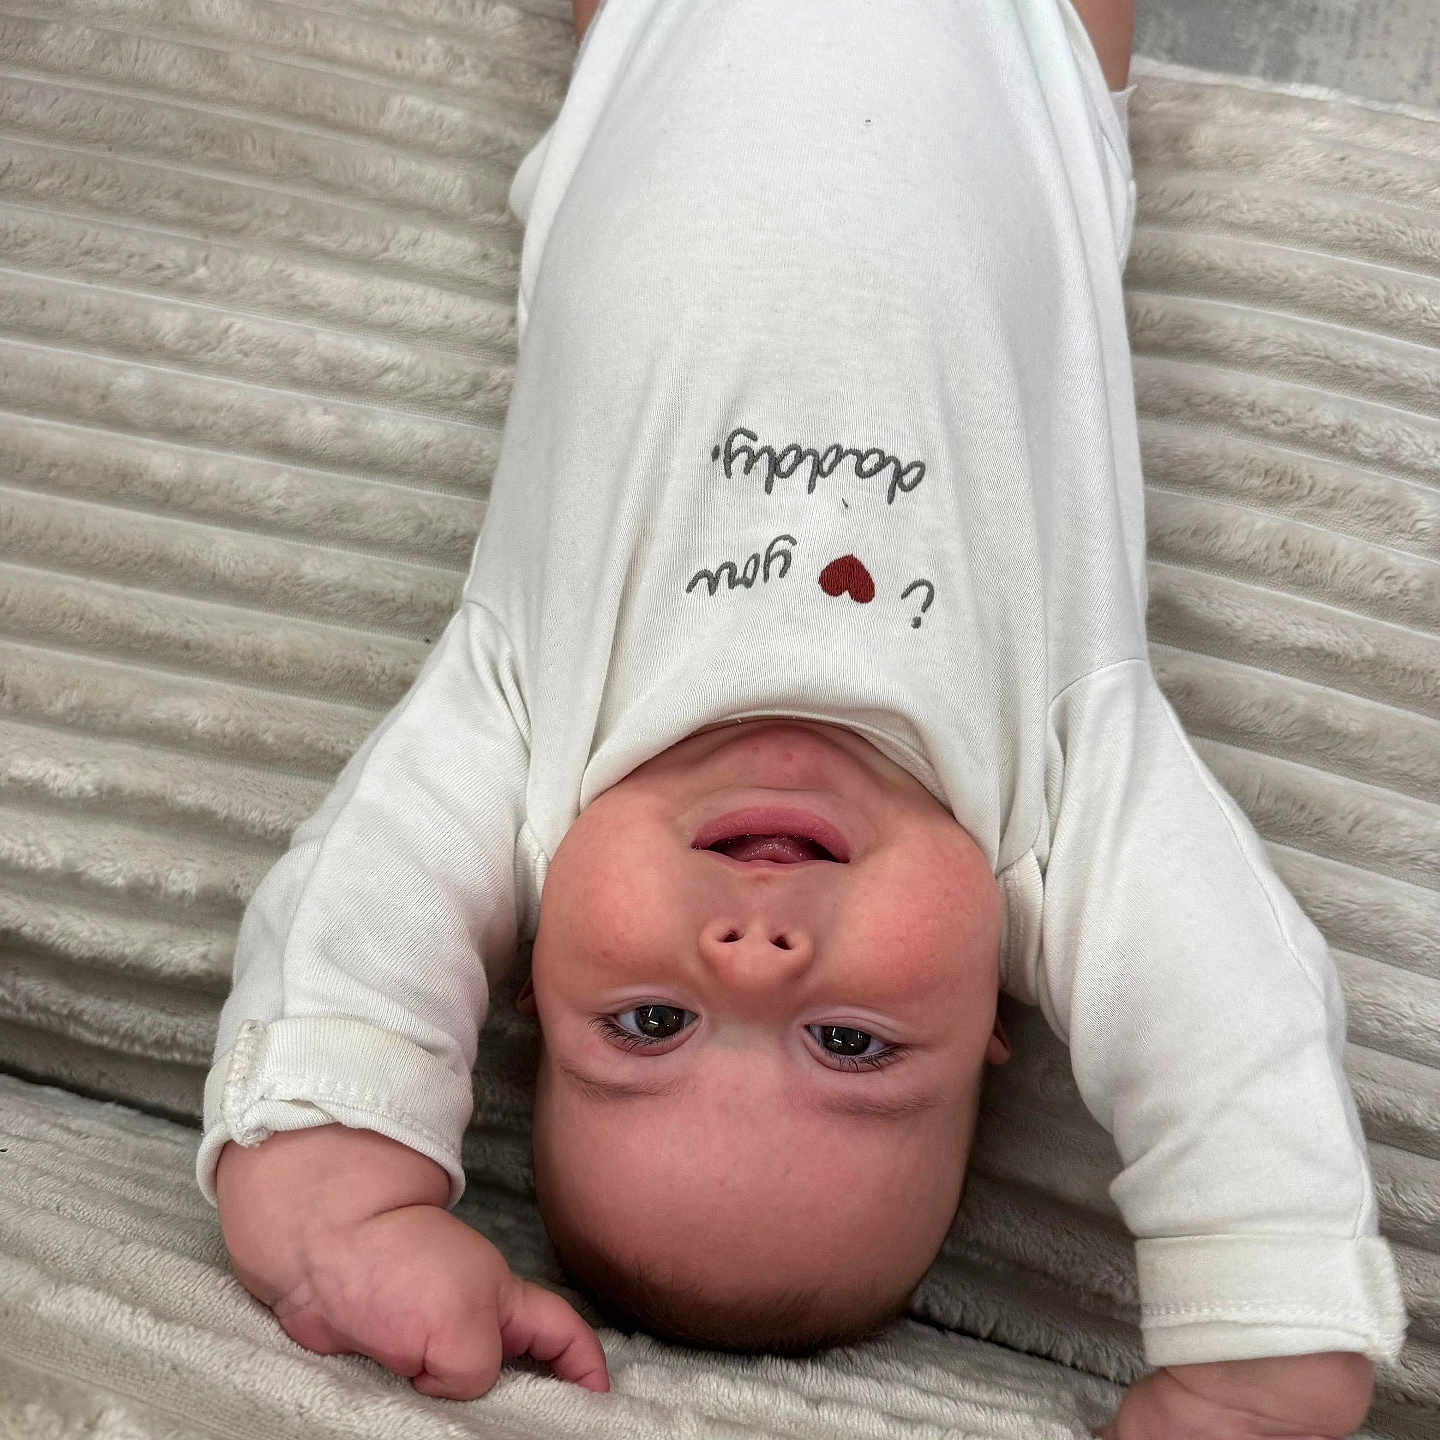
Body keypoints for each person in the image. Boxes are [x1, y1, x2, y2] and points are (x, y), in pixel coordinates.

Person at [201, 1, 1407, 1434]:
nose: (756, 956)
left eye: (648, 1020)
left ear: (524, 973)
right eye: (851, 1046)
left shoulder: (529, 744)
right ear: (997, 1015)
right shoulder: (1057, 793)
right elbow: (1235, 1021)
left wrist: (341, 1208)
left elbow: (351, 924)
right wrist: (1265, 1362)